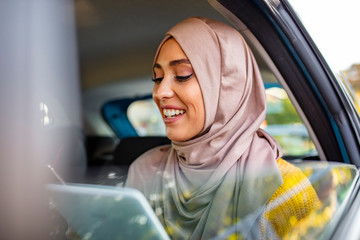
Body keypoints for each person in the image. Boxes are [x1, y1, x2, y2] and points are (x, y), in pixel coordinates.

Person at [125, 17, 320, 239]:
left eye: (182, 75)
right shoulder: (144, 171)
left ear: (229, 86)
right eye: (158, 78)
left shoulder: (284, 189)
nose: (160, 93)